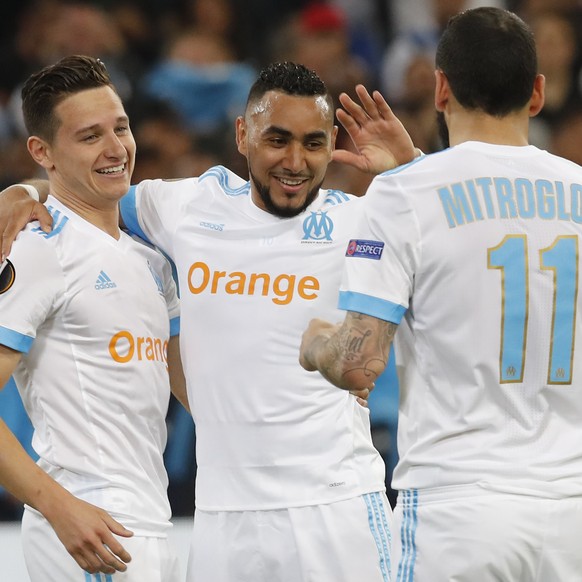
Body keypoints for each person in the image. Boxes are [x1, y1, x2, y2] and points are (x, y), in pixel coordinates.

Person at [0, 61, 418, 582]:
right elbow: (77, 195)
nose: (295, 161)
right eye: (277, 139)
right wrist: (20, 194)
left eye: (313, 143)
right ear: (243, 136)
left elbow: (464, 258)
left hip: (333, 504)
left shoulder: (362, 220)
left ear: (332, 141)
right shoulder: (182, 208)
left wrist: (410, 172)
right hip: (220, 517)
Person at [299, 7, 582, 581]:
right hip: (572, 511)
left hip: (459, 507)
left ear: (442, 88)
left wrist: (314, 344)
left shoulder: (402, 195)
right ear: (537, 93)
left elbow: (358, 364)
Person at [0, 55, 186, 581]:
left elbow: (189, 383)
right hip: (88, 527)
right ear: (43, 152)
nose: (115, 149)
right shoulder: (37, 248)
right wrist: (57, 507)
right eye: (89, 137)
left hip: (151, 522)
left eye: (120, 128)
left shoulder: (150, 258)